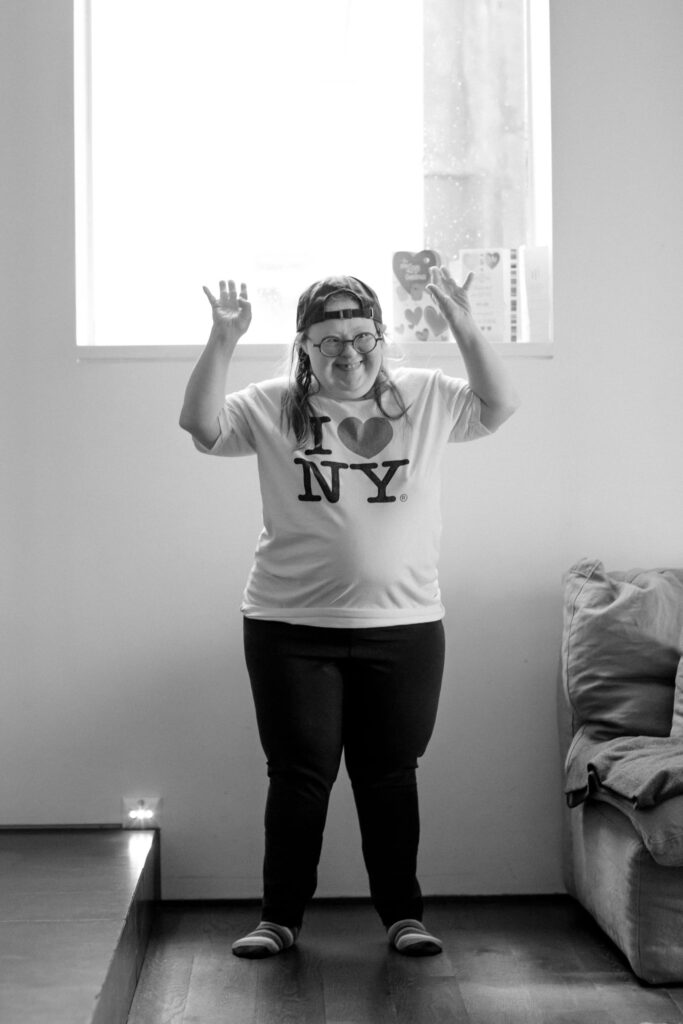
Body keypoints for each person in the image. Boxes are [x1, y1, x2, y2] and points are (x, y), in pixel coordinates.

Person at [179, 269, 519, 959]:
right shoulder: (275, 405)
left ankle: (403, 916)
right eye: (329, 338)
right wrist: (221, 339)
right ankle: (279, 919)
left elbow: (498, 405)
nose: (349, 352)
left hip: (405, 628)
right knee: (300, 777)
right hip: (286, 628)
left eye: (362, 336)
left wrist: (461, 323)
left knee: (389, 774)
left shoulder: (421, 398)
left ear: (380, 339)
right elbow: (202, 426)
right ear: (303, 346)